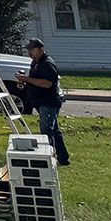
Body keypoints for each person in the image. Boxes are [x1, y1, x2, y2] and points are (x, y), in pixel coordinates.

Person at [16, 38, 70, 166]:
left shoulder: (47, 64)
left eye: (31, 49)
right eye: (28, 50)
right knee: (54, 131)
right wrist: (24, 81)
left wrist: (27, 79)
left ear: (40, 49)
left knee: (46, 131)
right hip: (41, 103)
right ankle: (63, 158)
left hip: (49, 103)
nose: (29, 52)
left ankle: (50, 158)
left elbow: (47, 83)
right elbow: (34, 80)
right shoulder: (35, 63)